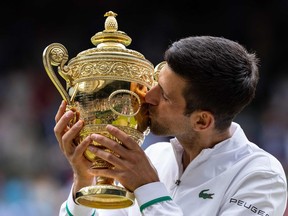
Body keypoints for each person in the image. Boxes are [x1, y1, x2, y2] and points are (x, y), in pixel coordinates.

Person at [55, 36, 287, 215]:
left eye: (164, 95)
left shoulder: (261, 176)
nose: (148, 97)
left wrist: (149, 188)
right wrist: (84, 179)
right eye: (156, 82)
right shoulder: (155, 156)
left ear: (201, 120)